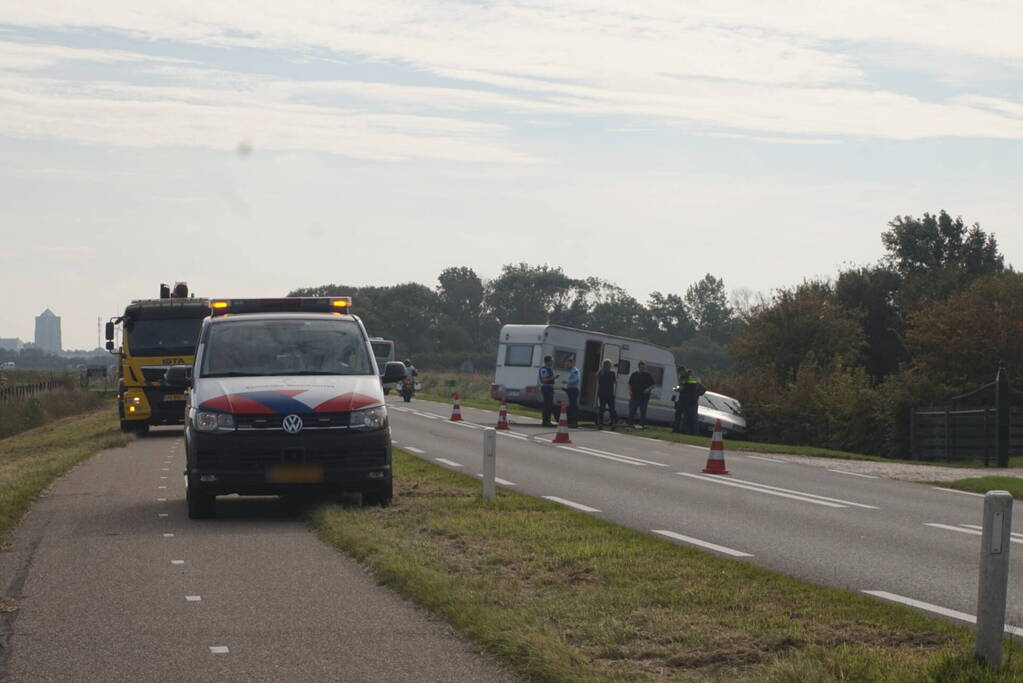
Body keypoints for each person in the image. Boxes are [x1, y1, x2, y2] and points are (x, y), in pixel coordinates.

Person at [627, 361, 656, 429]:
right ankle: (630, 424)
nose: (642, 368)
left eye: (643, 367)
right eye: (641, 367)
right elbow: (629, 383)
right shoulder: (634, 374)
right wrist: (630, 391)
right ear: (638, 367)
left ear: (645, 367)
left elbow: (653, 385)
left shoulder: (647, 375)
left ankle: (641, 425)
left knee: (643, 411)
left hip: (644, 397)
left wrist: (648, 389)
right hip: (634, 396)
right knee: (632, 411)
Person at [679, 368, 705, 435]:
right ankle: (688, 432)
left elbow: (702, 388)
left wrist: (696, 395)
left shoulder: (691, 379)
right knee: (687, 417)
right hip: (688, 400)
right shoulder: (686, 379)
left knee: (692, 417)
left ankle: (694, 432)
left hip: (692, 401)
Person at [596, 359, 618, 429]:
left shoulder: (600, 372)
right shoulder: (612, 373)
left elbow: (597, 378)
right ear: (610, 365)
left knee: (601, 409)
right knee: (612, 409)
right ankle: (613, 423)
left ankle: (600, 424)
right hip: (610, 393)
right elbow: (614, 382)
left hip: (602, 393)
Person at [538, 355, 558, 426]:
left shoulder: (549, 369)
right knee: (547, 405)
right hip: (546, 388)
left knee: (549, 405)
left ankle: (547, 420)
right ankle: (545, 421)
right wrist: (553, 377)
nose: (553, 362)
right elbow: (544, 380)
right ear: (548, 361)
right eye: (551, 360)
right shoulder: (544, 369)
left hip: (550, 388)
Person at [563, 356, 580, 427]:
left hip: (573, 390)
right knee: (571, 406)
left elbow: (576, 380)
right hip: (570, 390)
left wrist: (567, 382)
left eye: (568, 364)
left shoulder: (575, 370)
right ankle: (571, 421)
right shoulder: (571, 371)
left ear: (572, 363)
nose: (566, 365)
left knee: (573, 406)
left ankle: (574, 422)